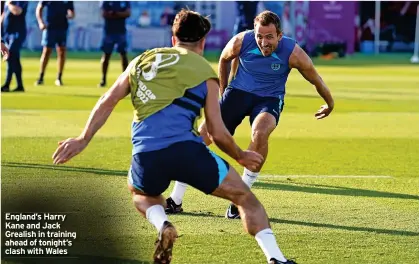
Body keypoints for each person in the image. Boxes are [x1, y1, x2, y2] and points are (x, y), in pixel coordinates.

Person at [51, 9, 297, 264]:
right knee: (246, 199)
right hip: (188, 153)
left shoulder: (141, 61)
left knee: (141, 194)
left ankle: (163, 224)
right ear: (202, 43)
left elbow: (108, 100)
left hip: (146, 153)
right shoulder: (204, 72)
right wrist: (241, 155)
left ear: (172, 39)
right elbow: (216, 130)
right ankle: (276, 259)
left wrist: (82, 138)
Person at [166, 10, 335, 219]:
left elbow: (315, 79)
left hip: (268, 100)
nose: (263, 42)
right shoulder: (241, 40)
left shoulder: (294, 53)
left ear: (280, 35)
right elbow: (224, 59)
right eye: (259, 36)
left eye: (269, 37)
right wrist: (224, 92)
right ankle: (175, 199)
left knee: (260, 133)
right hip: (237, 94)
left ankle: (240, 199)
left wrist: (330, 103)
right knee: (201, 137)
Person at [35, 1, 75, 87]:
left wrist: (71, 15)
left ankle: (59, 77)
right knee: (46, 52)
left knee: (62, 52)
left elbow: (72, 11)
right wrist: (40, 22)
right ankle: (41, 76)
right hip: (50, 27)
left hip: (62, 27)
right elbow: (39, 8)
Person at [98, 1, 130, 88]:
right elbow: (104, 13)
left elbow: (128, 13)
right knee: (106, 55)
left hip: (121, 31)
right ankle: (103, 79)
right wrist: (119, 14)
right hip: (109, 31)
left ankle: (126, 79)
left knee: (123, 55)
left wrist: (115, 14)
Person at [1, 1, 28, 92]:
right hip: (7, 33)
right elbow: (4, 14)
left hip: (17, 33)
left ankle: (7, 84)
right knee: (15, 59)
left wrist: (8, 3)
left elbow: (17, 11)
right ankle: (20, 86)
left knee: (10, 55)